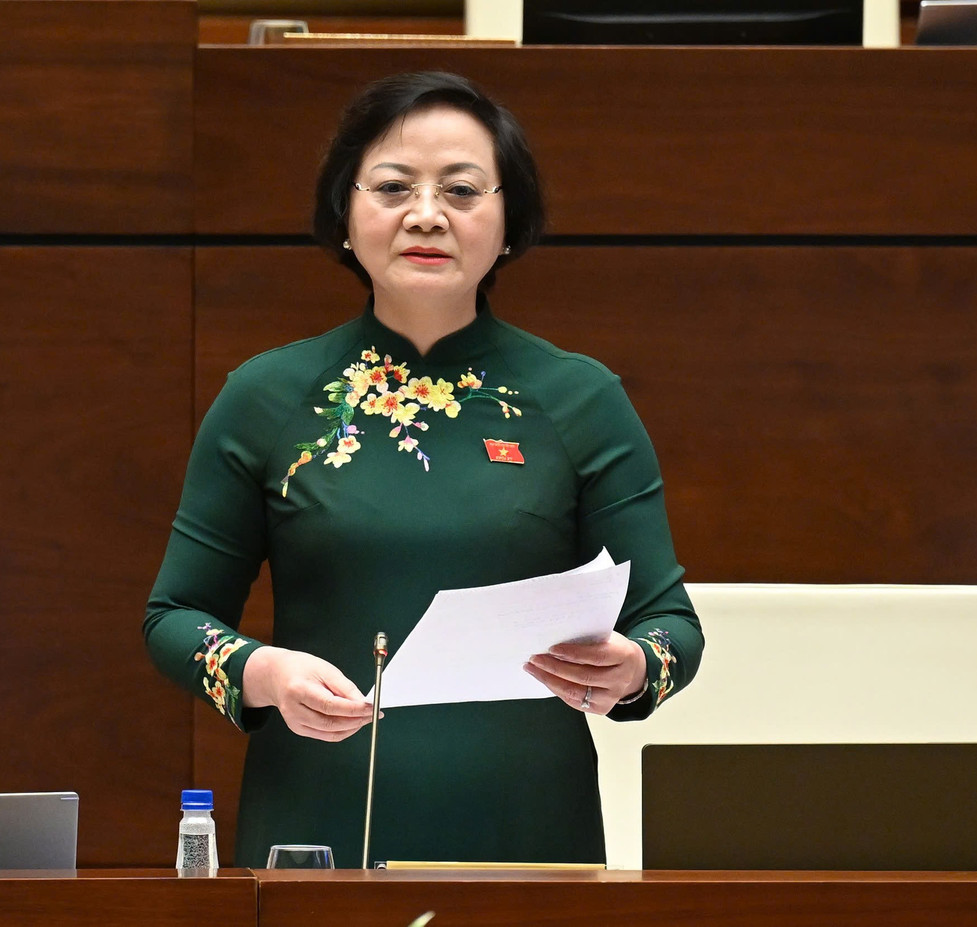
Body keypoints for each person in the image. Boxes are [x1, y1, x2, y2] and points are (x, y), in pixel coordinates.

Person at [144, 71, 703, 868]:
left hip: (529, 836)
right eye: (393, 187)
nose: (427, 214)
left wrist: (637, 666)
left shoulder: (581, 398)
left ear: (509, 224)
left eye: (462, 190)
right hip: (318, 824)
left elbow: (673, 624)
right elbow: (175, 614)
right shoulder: (266, 397)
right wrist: (261, 671)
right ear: (345, 214)